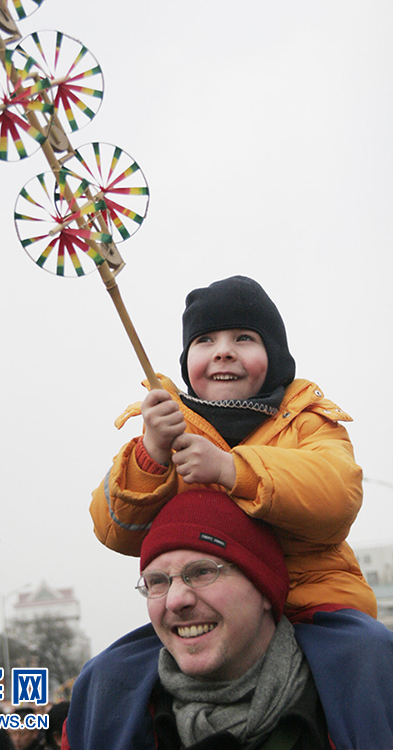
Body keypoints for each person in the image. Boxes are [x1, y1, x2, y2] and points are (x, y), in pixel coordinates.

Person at [90, 275, 393, 749]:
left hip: (310, 604)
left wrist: (234, 470)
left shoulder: (308, 421)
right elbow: (115, 529)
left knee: (367, 653)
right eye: (205, 341)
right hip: (205, 613)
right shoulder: (167, 424)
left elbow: (337, 497)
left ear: (275, 355)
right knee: (107, 676)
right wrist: (150, 454)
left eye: (243, 338)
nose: (223, 352)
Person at [64, 489, 330, 749]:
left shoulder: (344, 703)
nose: (175, 600)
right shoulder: (101, 715)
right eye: (157, 581)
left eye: (202, 572)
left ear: (264, 588)